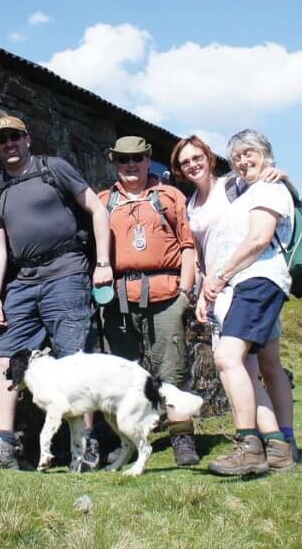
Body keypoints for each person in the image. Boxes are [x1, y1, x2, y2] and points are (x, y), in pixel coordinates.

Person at [0, 115, 113, 470]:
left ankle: (85, 448)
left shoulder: (55, 169)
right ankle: (4, 449)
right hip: (24, 282)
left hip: (67, 272)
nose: (9, 144)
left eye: (14, 137)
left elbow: (97, 209)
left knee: (73, 357)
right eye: (1, 140)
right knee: (4, 356)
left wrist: (104, 264)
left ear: (27, 138)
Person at [175, 131, 296, 475]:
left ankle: (249, 446)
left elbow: (258, 239)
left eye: (250, 153)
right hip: (235, 285)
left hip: (255, 281)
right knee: (247, 366)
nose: (243, 161)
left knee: (229, 358)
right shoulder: (244, 190)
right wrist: (208, 285)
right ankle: (277, 447)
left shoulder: (268, 187)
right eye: (238, 156)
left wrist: (219, 276)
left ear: (266, 155)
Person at [97, 136, 200, 466]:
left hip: (166, 295)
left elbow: (188, 245)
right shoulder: (103, 201)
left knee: (172, 368)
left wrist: (185, 292)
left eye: (137, 159)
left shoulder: (170, 197)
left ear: (147, 160)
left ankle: (182, 437)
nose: (130, 166)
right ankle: (126, 442)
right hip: (118, 300)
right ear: (115, 162)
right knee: (119, 376)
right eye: (123, 160)